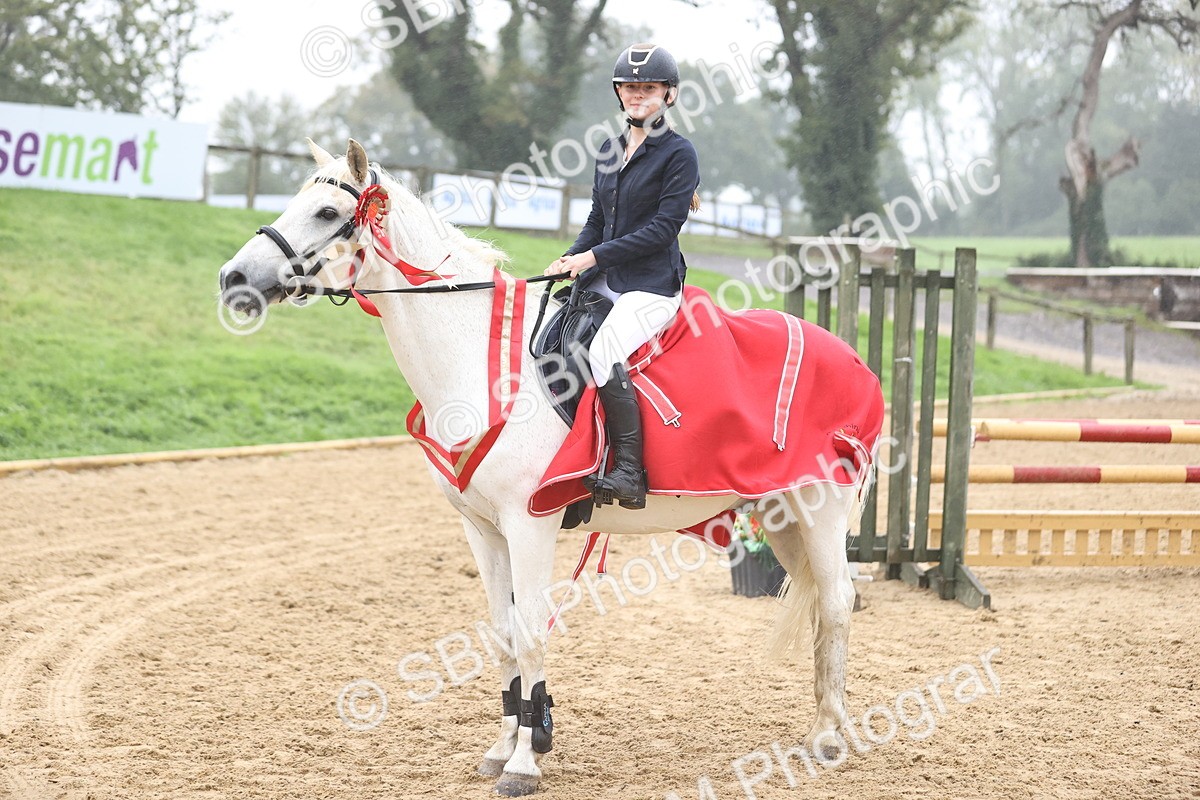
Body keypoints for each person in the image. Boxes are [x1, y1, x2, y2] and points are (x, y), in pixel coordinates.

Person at [545, 43, 700, 510]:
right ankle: (571, 458)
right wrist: (570, 257)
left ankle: (629, 470)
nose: (638, 96)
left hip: (651, 284)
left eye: (648, 88)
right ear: (619, 93)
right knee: (553, 336)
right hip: (607, 277)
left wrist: (592, 258)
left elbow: (661, 230)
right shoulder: (610, 149)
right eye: (630, 88)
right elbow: (597, 218)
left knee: (604, 347)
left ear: (668, 95)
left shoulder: (679, 154)